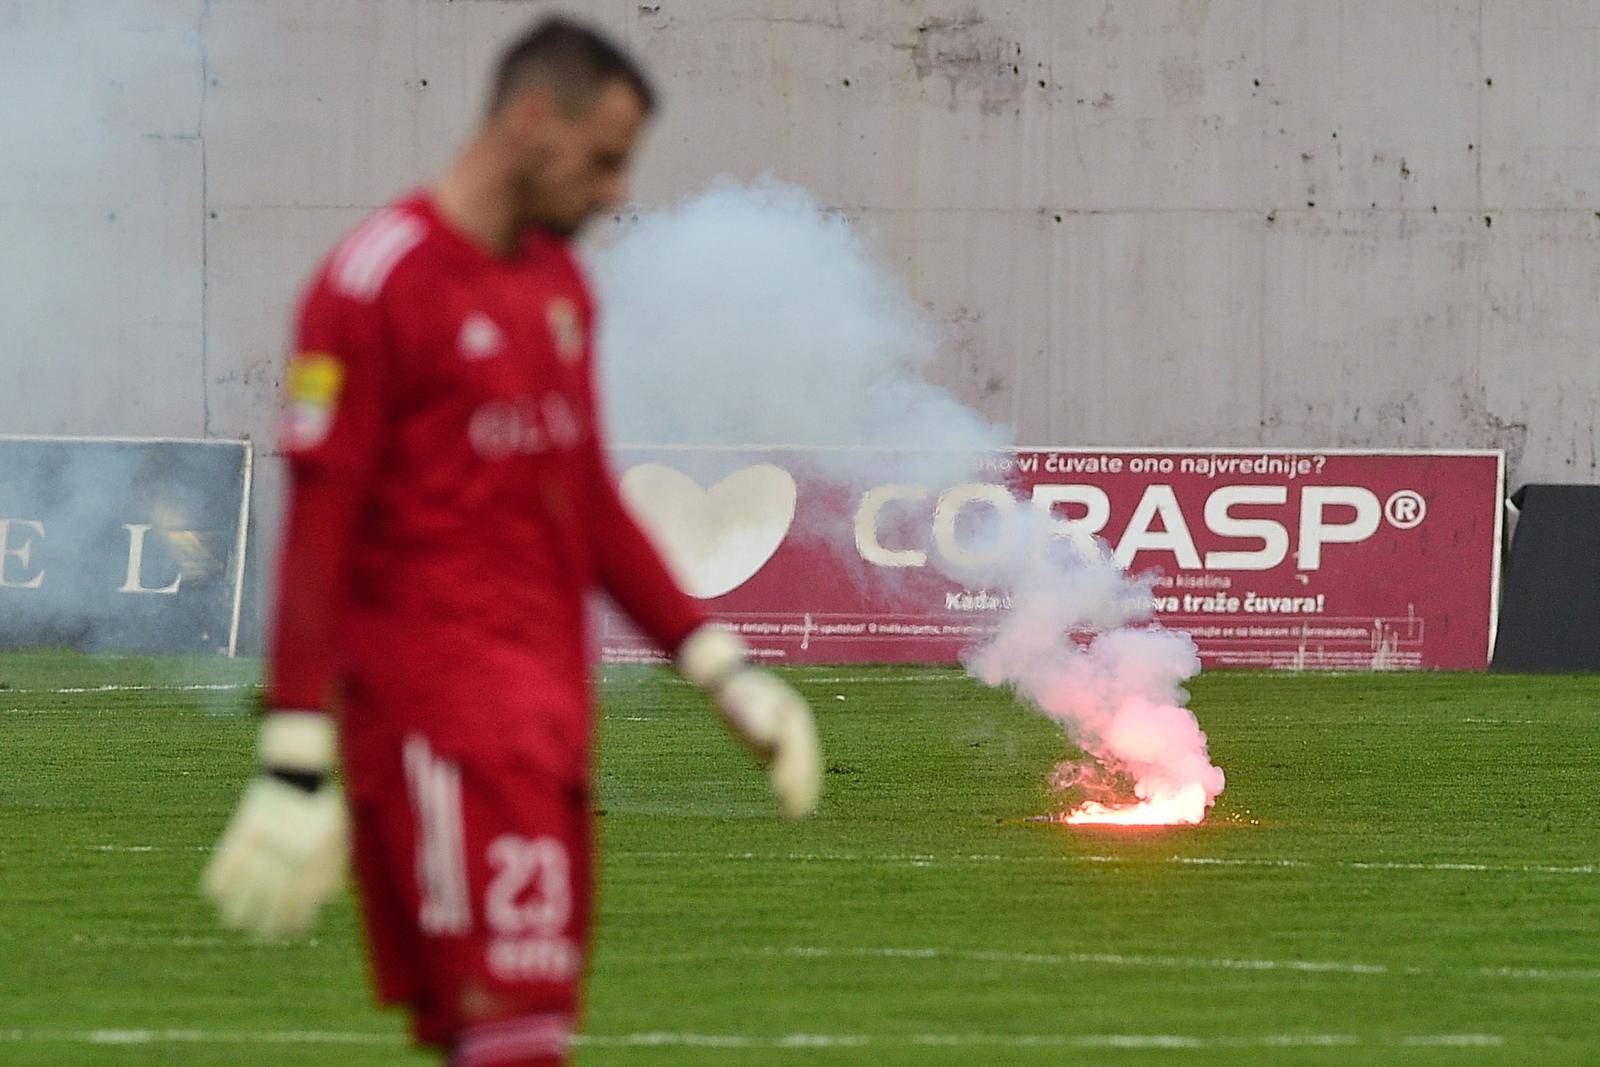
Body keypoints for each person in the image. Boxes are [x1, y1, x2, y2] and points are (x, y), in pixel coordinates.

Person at [201, 18, 822, 1067]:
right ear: (532, 123)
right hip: (440, 724)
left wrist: (724, 668)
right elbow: (318, 527)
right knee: (516, 1035)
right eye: (604, 159)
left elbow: (582, 496)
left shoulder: (559, 288)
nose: (616, 190)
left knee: (502, 1035)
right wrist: (294, 753)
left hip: (549, 721)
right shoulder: (371, 285)